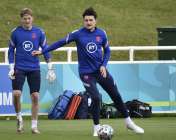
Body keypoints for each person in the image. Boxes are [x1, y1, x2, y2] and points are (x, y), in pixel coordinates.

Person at [32, 7, 144, 136]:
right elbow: (60, 42)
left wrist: (103, 65)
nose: (88, 22)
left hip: (100, 71)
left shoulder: (102, 33)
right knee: (95, 98)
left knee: (116, 95)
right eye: (86, 20)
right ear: (83, 21)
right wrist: (42, 51)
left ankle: (129, 122)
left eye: (91, 20)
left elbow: (107, 51)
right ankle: (96, 127)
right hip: (86, 73)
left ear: (95, 21)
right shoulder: (78, 34)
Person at [8, 8, 56, 134]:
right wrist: (11, 67)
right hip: (19, 68)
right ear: (21, 19)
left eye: (29, 18)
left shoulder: (39, 32)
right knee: (16, 94)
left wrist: (50, 67)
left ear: (32, 19)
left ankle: (34, 126)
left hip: (34, 68)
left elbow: (45, 48)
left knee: (35, 96)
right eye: (25, 18)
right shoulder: (15, 32)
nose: (27, 20)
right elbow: (10, 50)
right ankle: (19, 118)